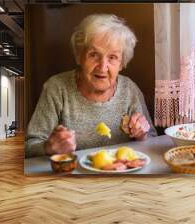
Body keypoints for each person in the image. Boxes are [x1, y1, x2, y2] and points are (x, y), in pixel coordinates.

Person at [25, 14, 157, 158]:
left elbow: (151, 140)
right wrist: (48, 147)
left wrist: (142, 136)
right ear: (79, 56)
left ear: (122, 63)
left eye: (112, 57)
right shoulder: (57, 88)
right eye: (94, 55)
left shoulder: (130, 89)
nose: (102, 67)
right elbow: (29, 145)